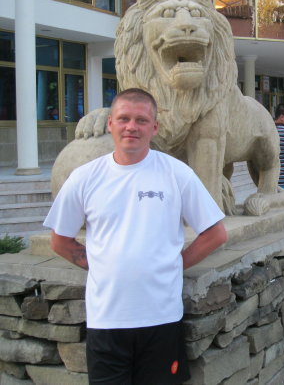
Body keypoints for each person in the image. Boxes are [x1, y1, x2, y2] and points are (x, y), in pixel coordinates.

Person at [44, 88, 227, 384]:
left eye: (141, 120)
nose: (132, 127)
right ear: (110, 124)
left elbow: (215, 233)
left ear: (154, 127)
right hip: (106, 321)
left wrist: (174, 264)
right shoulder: (84, 178)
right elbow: (60, 241)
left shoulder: (176, 173)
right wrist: (101, 264)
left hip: (162, 318)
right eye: (124, 118)